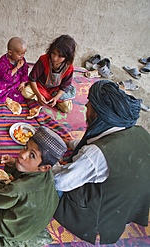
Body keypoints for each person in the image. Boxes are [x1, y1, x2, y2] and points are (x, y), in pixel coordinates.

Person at [53, 80, 150, 244]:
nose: (85, 109)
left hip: (101, 218)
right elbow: (103, 144)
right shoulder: (140, 132)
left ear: (97, 114)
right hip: (128, 208)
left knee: (44, 184)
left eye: (88, 106)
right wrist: (71, 144)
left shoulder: (94, 154)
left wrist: (51, 160)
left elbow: (59, 182)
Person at [0, 126, 67, 247]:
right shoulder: (47, 174)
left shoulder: (19, 189)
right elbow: (28, 176)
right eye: (26, 147)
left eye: (32, 155)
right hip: (33, 223)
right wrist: (13, 164)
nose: (22, 155)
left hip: (14, 229)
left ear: (44, 167)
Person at [22, 34, 76, 113]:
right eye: (53, 53)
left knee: (67, 108)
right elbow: (32, 79)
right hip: (41, 87)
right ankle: (44, 98)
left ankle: (52, 100)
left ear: (67, 57)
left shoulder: (69, 68)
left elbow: (64, 86)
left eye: (60, 56)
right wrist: (38, 95)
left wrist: (56, 98)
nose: (55, 58)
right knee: (25, 92)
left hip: (56, 90)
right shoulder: (44, 59)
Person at [0, 37, 29, 103]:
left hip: (15, 83)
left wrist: (23, 82)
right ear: (10, 52)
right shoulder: (2, 61)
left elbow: (25, 71)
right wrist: (17, 67)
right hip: (3, 83)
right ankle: (6, 96)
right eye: (19, 54)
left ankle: (8, 95)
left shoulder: (22, 60)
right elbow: (5, 76)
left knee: (22, 96)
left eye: (24, 53)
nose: (22, 56)